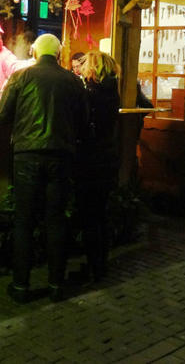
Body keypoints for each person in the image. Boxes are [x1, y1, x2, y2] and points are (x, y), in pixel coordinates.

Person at [0, 34, 88, 303]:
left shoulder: (21, 77)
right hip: (61, 156)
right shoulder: (73, 80)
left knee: (24, 221)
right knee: (56, 220)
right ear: (59, 53)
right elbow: (83, 122)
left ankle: (21, 286)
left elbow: (1, 116)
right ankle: (56, 285)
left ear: (35, 52)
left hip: (27, 154)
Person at [73, 50, 121, 283]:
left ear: (92, 69)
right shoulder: (113, 91)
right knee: (101, 213)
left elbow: (79, 123)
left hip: (90, 160)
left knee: (89, 214)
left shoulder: (88, 94)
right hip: (108, 158)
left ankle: (95, 267)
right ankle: (100, 264)